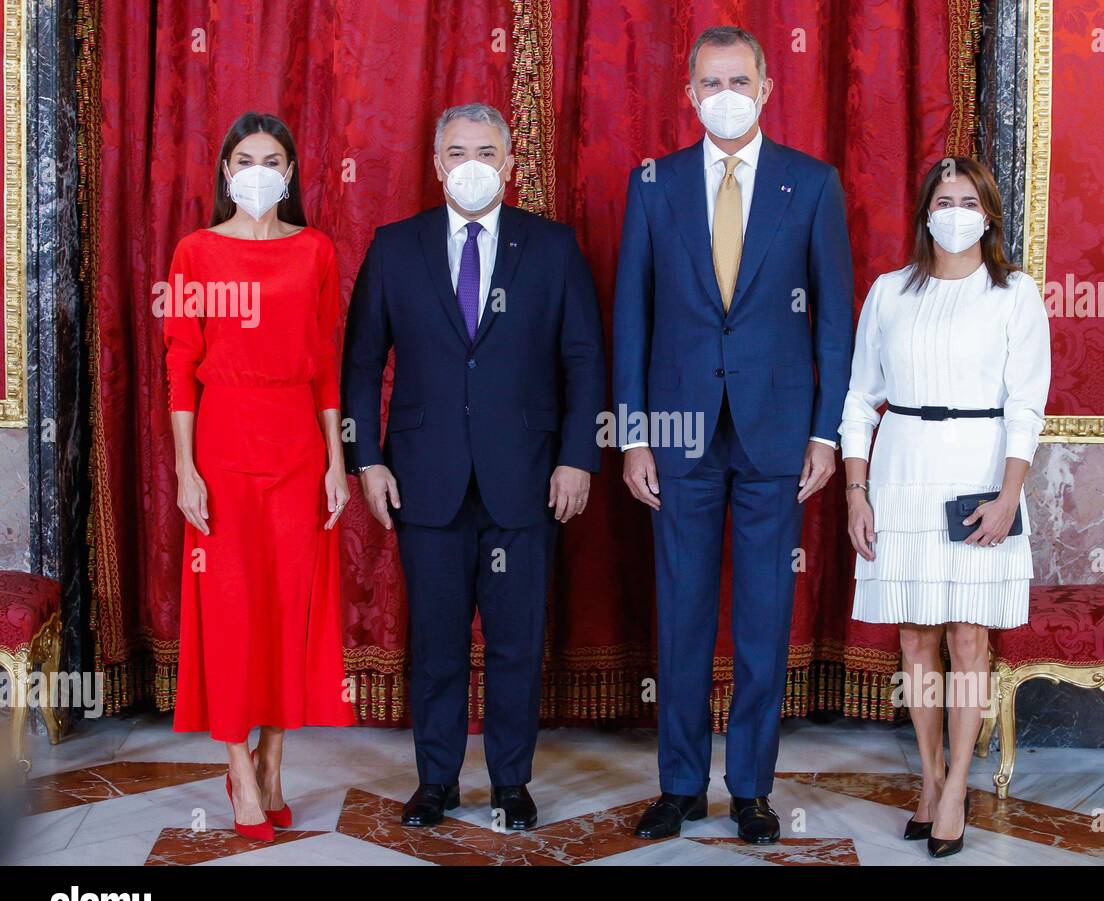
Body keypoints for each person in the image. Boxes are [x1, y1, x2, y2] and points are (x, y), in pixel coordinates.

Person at [613, 26, 854, 845]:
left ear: (766, 88)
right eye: (710, 81)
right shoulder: (654, 185)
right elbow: (631, 318)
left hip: (776, 434)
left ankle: (751, 787)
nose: (725, 93)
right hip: (677, 435)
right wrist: (633, 436)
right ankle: (679, 785)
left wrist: (826, 433)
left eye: (739, 79)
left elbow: (833, 325)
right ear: (689, 93)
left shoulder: (812, 186)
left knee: (761, 618)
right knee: (680, 617)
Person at [343, 103, 605, 831]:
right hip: (425, 481)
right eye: (456, 152)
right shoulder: (395, 248)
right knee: (435, 644)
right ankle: (436, 782)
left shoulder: (552, 249)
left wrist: (578, 458)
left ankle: (512, 784)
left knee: (518, 642)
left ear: (511, 164)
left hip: (526, 479)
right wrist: (366, 458)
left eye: (486, 152)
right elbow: (362, 364)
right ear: (435, 164)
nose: (471, 166)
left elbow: (584, 360)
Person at [840, 156, 1051, 858]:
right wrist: (855, 490)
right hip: (902, 467)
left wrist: (1008, 495)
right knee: (914, 637)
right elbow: (858, 398)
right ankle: (928, 776)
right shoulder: (889, 291)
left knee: (969, 638)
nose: (955, 210)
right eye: (943, 198)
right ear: (925, 209)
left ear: (989, 214)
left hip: (980, 469)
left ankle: (957, 783)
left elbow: (1026, 405)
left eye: (969, 200)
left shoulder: (1014, 293)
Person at [164, 112, 355, 843]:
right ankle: (238, 767)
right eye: (245, 158)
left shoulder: (315, 251)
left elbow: (327, 367)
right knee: (229, 608)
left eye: (273, 159)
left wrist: (336, 463)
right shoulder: (194, 252)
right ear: (224, 170)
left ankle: (273, 760)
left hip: (297, 448)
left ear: (292, 173)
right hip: (222, 443)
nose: (258, 170)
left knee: (288, 608)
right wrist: (185, 468)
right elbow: (180, 367)